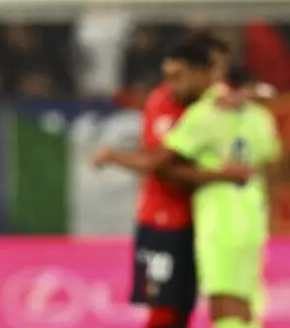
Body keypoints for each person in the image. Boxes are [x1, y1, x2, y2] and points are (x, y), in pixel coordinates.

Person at [94, 36, 249, 328]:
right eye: (169, 76)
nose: (219, 78)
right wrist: (221, 175)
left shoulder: (214, 104)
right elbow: (162, 168)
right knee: (165, 313)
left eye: (221, 70)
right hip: (162, 222)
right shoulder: (163, 103)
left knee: (184, 309)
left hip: (201, 222)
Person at [157, 62, 280, 328]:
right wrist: (216, 175)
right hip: (219, 220)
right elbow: (166, 165)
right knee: (224, 292)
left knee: (246, 297)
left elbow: (271, 165)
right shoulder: (204, 114)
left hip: (250, 220)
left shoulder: (260, 118)